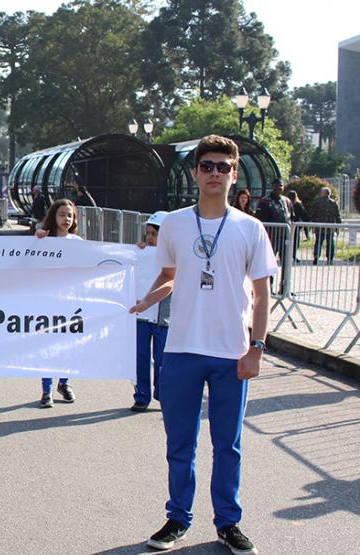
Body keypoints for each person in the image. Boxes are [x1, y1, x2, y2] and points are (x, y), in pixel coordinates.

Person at [130, 135, 276, 555]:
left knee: (227, 445)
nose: (215, 173)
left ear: (234, 175)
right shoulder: (174, 223)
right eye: (207, 166)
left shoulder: (251, 228)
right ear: (195, 172)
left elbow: (263, 294)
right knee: (180, 444)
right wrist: (143, 300)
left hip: (232, 352)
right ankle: (178, 518)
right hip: (181, 350)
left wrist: (257, 348)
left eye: (223, 167)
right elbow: (170, 275)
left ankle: (228, 523)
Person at [33, 198, 80, 405]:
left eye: (70, 215)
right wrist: (37, 239)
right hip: (48, 302)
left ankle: (64, 381)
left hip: (70, 303)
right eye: (62, 215)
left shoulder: (78, 244)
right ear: (54, 216)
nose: (66, 219)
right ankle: (47, 389)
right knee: (47, 345)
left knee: (68, 345)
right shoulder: (44, 240)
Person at [132, 211, 171, 412]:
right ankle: (141, 395)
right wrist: (138, 251)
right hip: (141, 316)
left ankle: (162, 393)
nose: (150, 237)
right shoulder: (142, 252)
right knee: (140, 357)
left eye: (155, 234)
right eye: (148, 233)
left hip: (164, 318)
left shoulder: (175, 255)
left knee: (163, 359)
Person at [309, 187, 342, 265]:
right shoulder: (333, 203)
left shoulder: (316, 202)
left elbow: (312, 214)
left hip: (319, 227)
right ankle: (330, 259)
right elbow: (337, 216)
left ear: (323, 193)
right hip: (330, 227)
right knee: (330, 243)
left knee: (318, 242)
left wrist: (312, 225)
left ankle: (316, 256)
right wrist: (338, 227)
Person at [285, 190, 309, 262]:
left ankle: (287, 255)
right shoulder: (298, 205)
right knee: (295, 242)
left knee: (287, 241)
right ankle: (293, 255)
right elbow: (304, 215)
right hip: (295, 226)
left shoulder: (286, 203)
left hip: (288, 225)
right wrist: (306, 230)